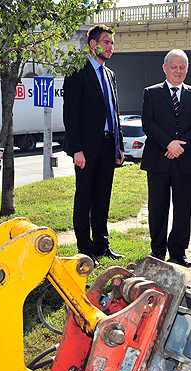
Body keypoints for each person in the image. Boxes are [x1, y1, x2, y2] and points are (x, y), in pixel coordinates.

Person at [63, 24, 125, 266]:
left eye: (111, 43)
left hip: (109, 146)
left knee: (103, 197)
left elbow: (114, 112)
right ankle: (85, 248)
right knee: (84, 197)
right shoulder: (77, 72)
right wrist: (77, 149)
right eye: (107, 42)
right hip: (86, 150)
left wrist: (119, 145)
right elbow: (71, 114)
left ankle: (102, 244)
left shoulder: (110, 75)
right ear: (93, 44)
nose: (111, 47)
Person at [140, 49, 191, 268]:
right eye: (173, 67)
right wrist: (168, 144)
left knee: (183, 207)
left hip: (185, 160)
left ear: (187, 69)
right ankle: (157, 249)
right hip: (158, 159)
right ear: (164, 68)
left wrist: (180, 146)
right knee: (157, 207)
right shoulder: (151, 93)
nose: (178, 71)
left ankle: (178, 251)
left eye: (182, 67)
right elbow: (148, 123)